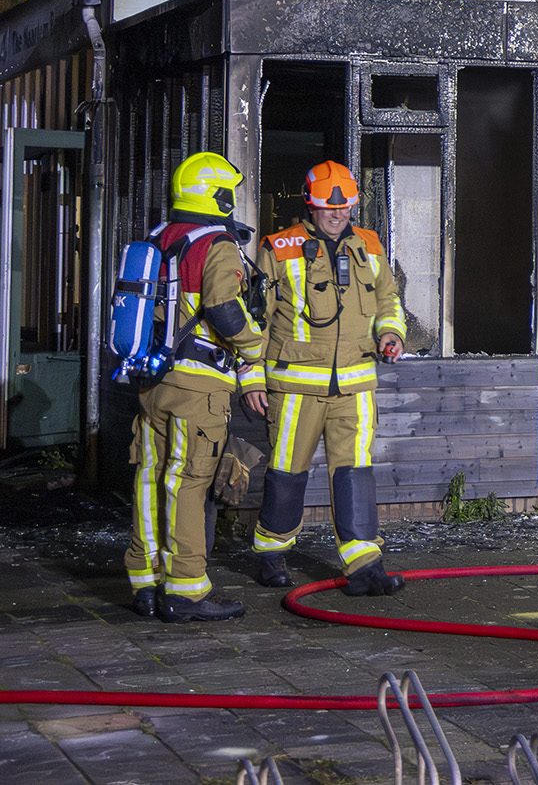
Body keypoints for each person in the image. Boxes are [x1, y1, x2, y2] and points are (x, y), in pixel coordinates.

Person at [247, 161, 409, 597]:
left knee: (355, 474)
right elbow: (254, 317)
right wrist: (250, 377)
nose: (337, 215)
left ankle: (365, 565)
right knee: (287, 474)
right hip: (295, 387)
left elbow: (387, 298)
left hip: (355, 385)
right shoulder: (278, 248)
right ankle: (270, 554)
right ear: (309, 204)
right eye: (327, 208)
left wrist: (390, 333)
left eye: (345, 208)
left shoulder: (369, 245)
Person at [124, 152, 265, 622]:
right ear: (217, 196)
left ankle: (146, 581)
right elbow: (224, 311)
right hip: (198, 386)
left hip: (153, 379)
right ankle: (185, 591)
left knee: (150, 476)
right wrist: (255, 344)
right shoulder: (217, 244)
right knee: (187, 483)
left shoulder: (160, 239)